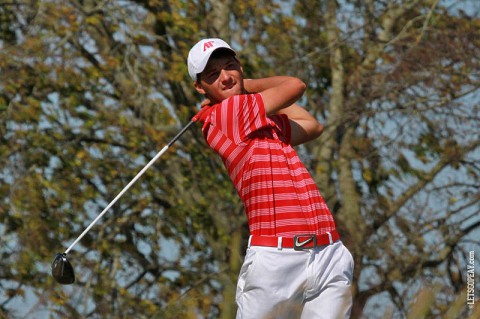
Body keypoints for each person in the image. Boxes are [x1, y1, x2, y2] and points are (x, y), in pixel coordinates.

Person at [187, 38, 354, 319]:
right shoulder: (226, 115)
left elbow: (312, 126)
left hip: (328, 252)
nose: (225, 77)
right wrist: (249, 85)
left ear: (240, 66)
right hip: (277, 261)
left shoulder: (258, 122)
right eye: (213, 75)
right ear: (200, 87)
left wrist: (245, 89)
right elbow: (295, 86)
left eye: (230, 67)